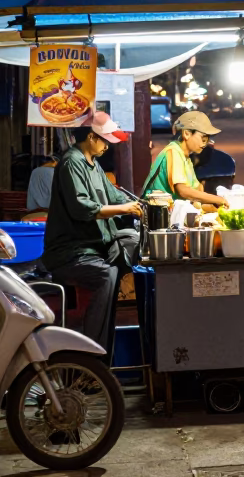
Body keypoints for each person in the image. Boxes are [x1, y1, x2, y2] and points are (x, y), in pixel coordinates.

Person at [42, 112, 142, 352]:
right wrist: (123, 208)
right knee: (106, 276)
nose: (107, 146)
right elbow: (81, 208)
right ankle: (91, 351)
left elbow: (115, 195)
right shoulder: (71, 162)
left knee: (136, 243)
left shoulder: (93, 164)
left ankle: (132, 335)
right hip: (72, 252)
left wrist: (143, 203)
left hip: (97, 245)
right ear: (90, 136)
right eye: (104, 140)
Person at [142, 111, 229, 210]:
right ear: (186, 134)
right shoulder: (173, 151)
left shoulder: (186, 157)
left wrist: (214, 206)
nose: (204, 144)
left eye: (207, 141)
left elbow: (197, 192)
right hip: (158, 215)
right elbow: (183, 191)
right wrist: (218, 199)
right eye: (203, 139)